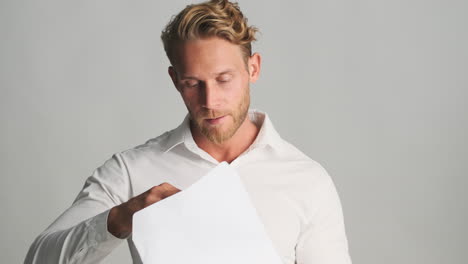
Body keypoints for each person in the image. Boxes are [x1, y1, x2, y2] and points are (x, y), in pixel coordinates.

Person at [25, 0, 352, 263]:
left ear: (253, 69)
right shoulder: (130, 170)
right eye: (192, 84)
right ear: (174, 80)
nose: (210, 101)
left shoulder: (307, 180)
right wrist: (122, 218)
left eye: (224, 80)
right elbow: (38, 259)